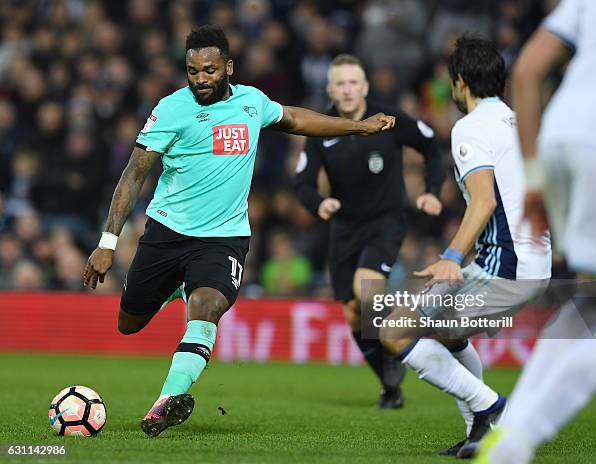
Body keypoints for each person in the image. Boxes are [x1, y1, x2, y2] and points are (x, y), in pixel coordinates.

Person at [82, 25, 395, 437]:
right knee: (129, 322)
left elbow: (298, 119)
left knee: (208, 307)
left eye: (209, 70)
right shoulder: (171, 109)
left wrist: (360, 127)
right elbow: (133, 173)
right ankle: (179, 286)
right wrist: (108, 243)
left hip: (224, 237)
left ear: (228, 67)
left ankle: (163, 404)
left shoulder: (252, 103)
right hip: (168, 232)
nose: (201, 79)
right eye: (192, 71)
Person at [377, 36, 551, 458]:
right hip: (521, 261)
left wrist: (451, 257)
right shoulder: (515, 121)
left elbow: (486, 199)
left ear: (459, 81)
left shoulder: (471, 127)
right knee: (442, 332)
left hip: (508, 267)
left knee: (396, 332)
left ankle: (491, 409)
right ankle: (480, 426)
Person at [475, 1, 596, 462]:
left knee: (594, 304)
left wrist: (535, 176)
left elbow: (529, 70)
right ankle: (515, 442)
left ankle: (510, 427)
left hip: (560, 137)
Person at [293, 53, 445, 409]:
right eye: (339, 84)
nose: (346, 90)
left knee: (366, 289)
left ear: (364, 86)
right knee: (351, 311)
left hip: (386, 220)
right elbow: (302, 182)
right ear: (330, 89)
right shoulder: (321, 127)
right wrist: (319, 203)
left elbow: (430, 146)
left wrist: (432, 191)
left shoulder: (387, 119)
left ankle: (401, 333)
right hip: (345, 227)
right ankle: (390, 383)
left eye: (352, 83)